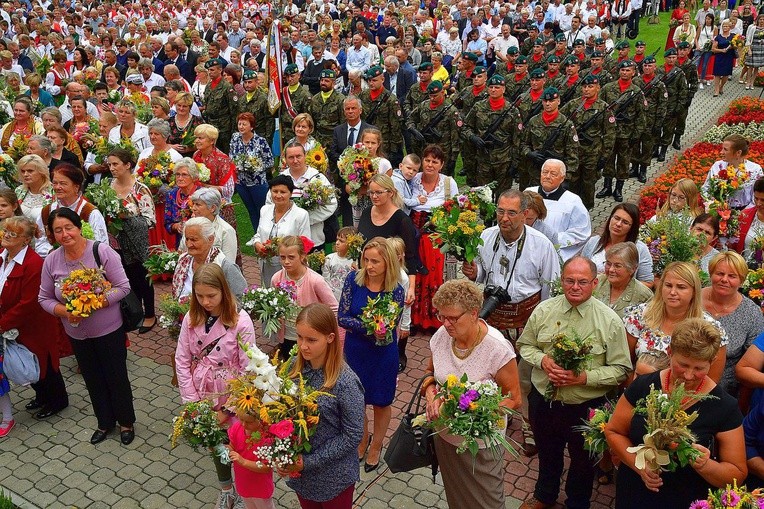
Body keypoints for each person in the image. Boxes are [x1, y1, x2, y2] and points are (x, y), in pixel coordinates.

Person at [517, 256, 631, 509]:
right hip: (545, 400)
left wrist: (584, 377)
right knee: (547, 453)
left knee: (583, 461)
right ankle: (544, 495)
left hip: (586, 406)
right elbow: (525, 344)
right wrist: (543, 360)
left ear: (594, 282)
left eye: (582, 281)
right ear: (561, 281)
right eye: (569, 281)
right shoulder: (544, 310)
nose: (575, 287)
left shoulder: (609, 320)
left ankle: (577, 503)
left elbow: (622, 369)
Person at [605, 318, 747, 508]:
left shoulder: (724, 407)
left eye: (699, 368)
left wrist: (706, 465)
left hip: (687, 498)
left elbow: (736, 473)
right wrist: (639, 466)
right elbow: (614, 431)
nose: (689, 375)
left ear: (712, 361)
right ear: (670, 352)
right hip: (634, 492)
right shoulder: (643, 385)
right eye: (683, 365)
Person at [38, 208, 136, 445]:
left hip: (108, 328)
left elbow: (123, 287)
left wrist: (95, 302)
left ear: (79, 227)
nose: (65, 234)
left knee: (116, 376)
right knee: (92, 378)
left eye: (68, 228)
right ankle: (104, 422)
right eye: (58, 230)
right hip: (77, 333)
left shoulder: (101, 251)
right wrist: (66, 311)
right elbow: (44, 298)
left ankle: (126, 422)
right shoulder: (52, 260)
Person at [422, 279, 521, 509]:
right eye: (441, 316)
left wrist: (475, 411)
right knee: (457, 498)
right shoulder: (441, 335)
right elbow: (429, 373)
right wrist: (430, 394)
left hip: (481, 444)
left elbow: (514, 399)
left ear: (474, 313)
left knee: (489, 501)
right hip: (445, 437)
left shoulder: (497, 348)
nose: (446, 324)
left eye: (453, 318)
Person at [175, 263, 257, 509]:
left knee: (239, 444)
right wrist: (193, 404)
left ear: (223, 290)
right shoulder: (191, 317)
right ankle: (226, 489)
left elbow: (248, 369)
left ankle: (242, 489)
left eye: (211, 296)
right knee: (215, 442)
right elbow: (182, 359)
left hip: (231, 393)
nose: (206, 302)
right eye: (199, 296)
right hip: (203, 392)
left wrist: (229, 410)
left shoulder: (240, 321)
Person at [278, 303, 365, 509]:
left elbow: (352, 435)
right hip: (301, 473)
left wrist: (308, 462)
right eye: (299, 337)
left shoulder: (345, 382)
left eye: (311, 340)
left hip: (334, 476)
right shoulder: (292, 368)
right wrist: (281, 453)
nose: (303, 346)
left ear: (330, 338)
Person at [338, 237, 404, 473]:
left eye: (375, 261)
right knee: (358, 400)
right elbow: (342, 317)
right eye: (366, 260)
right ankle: (363, 439)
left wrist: (379, 329)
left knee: (381, 400)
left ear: (388, 263)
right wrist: (368, 326)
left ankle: (376, 445)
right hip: (356, 351)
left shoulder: (396, 290)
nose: (369, 266)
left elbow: (392, 322)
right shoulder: (353, 281)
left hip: (383, 354)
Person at [0, 215, 68, 430]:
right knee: (27, 363)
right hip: (13, 324)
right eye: (6, 231)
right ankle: (41, 396)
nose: (7, 236)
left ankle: (57, 401)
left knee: (43, 364)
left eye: (14, 234)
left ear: (26, 240)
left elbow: (28, 303)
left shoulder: (33, 263)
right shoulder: (2, 257)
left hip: (34, 325)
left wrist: (2, 323)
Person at [624, 261, 728, 377]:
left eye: (681, 287)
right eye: (668, 285)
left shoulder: (711, 329)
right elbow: (626, 364)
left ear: (694, 291)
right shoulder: (639, 315)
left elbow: (711, 379)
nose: (672, 292)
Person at [106, 148, 156, 334]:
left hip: (136, 244)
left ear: (128, 165)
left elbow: (150, 220)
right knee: (125, 279)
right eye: (109, 164)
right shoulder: (108, 186)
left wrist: (125, 216)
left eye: (115, 164)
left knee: (143, 280)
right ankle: (135, 313)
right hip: (115, 244)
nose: (111, 168)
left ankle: (150, 314)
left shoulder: (140, 189)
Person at [409, 145, 458, 333]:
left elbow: (455, 209)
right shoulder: (413, 179)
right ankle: (413, 319)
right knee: (414, 276)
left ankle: (432, 320)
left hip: (435, 239)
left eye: (434, 161)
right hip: (412, 236)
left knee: (433, 276)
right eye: (427, 160)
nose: (430, 165)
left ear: (441, 164)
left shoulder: (448, 183)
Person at [701, 251, 764, 396]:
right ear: (711, 274)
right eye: (720, 273)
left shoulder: (751, 314)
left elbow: (751, 365)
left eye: (732, 276)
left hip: (725, 392)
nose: (724, 279)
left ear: (741, 281)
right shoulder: (693, 299)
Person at [271, 236, 338, 359]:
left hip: (310, 339)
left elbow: (334, 308)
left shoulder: (315, 281)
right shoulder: (276, 278)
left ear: (302, 256)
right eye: (282, 257)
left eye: (291, 257)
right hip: (287, 336)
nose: (286, 262)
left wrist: (322, 331)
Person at [357, 174, 420, 295]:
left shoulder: (402, 220)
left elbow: (411, 257)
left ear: (390, 193)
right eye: (371, 192)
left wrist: (411, 288)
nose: (374, 196)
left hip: (390, 281)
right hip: (365, 276)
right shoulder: (366, 213)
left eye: (379, 192)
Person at [275, 141, 337, 251]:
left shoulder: (318, 178)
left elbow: (331, 204)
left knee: (313, 268)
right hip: (287, 238)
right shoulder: (281, 179)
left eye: (298, 156)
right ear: (285, 159)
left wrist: (306, 219)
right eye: (291, 157)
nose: (295, 160)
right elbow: (271, 204)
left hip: (314, 237)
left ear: (305, 156)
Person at [525, 159, 591, 261]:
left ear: (562, 178)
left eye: (553, 174)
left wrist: (552, 239)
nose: (547, 176)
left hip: (553, 252)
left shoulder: (573, 201)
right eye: (545, 172)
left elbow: (581, 232)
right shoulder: (528, 193)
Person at [37, 164, 108, 257]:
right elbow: (40, 242)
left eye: (63, 183)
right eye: (55, 183)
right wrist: (54, 254)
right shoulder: (46, 211)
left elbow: (102, 245)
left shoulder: (90, 212)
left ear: (76, 187)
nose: (57, 187)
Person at [253, 176, 311, 288]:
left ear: (291, 193)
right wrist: (257, 244)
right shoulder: (265, 210)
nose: (278, 195)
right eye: (275, 191)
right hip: (266, 264)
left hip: (290, 266)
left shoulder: (301, 214)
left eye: (283, 192)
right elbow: (258, 234)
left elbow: (305, 244)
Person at [171, 217, 247, 301]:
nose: (188, 244)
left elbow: (241, 297)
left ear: (210, 239)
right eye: (187, 239)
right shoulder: (183, 261)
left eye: (194, 240)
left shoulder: (225, 266)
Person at [580, 203, 654, 284]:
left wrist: (621, 285)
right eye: (616, 218)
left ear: (632, 227)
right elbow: (580, 269)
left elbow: (648, 282)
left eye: (625, 222)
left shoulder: (640, 249)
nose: (618, 224)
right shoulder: (593, 242)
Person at [229, 112, 274, 234]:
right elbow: (231, 156)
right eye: (239, 124)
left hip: (257, 183)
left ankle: (267, 235)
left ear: (252, 126)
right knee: (251, 211)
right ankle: (257, 236)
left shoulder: (260, 141)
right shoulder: (235, 138)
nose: (241, 126)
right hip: (241, 183)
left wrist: (256, 166)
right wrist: (235, 165)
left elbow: (270, 161)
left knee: (262, 211)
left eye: (244, 124)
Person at [192, 124, 238, 240]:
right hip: (200, 205)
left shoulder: (222, 159)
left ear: (212, 141)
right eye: (196, 137)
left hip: (220, 206)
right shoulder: (196, 155)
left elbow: (228, 190)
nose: (196, 141)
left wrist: (204, 186)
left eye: (200, 138)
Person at [593, 242, 655, 319]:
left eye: (617, 266)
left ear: (632, 269)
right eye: (608, 264)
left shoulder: (644, 296)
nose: (611, 269)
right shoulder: (595, 283)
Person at [703, 135, 764, 213]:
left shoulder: (755, 170)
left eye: (725, 149)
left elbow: (757, 196)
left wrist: (741, 214)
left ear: (738, 153)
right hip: (718, 211)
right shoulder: (717, 166)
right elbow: (705, 189)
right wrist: (713, 205)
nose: (721, 152)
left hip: (745, 213)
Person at [178, 188, 237, 263]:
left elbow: (229, 263)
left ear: (212, 208)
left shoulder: (226, 230)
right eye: (193, 204)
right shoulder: (190, 225)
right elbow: (181, 251)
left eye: (198, 205)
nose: (193, 208)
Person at [164, 158, 203, 247]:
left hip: (201, 240)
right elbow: (167, 223)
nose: (180, 178)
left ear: (193, 177)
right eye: (178, 174)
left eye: (184, 175)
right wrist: (176, 226)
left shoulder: (202, 195)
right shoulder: (171, 195)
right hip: (181, 242)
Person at [15, 154, 53, 224]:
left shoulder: (54, 191)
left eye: (30, 171)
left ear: (42, 171)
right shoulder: (19, 191)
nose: (25, 174)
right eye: (23, 171)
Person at [167, 92, 203, 158]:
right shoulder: (168, 122)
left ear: (190, 107)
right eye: (179, 105)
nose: (181, 108)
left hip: (193, 158)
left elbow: (205, 142)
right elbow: (161, 143)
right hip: (171, 158)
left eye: (184, 106)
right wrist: (172, 147)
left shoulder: (198, 121)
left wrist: (190, 148)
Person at [712, 20, 736, 96]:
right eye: (723, 26)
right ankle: (716, 90)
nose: (725, 28)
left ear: (730, 27)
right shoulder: (718, 37)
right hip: (719, 57)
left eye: (726, 26)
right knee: (717, 74)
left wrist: (734, 46)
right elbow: (713, 49)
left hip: (729, 57)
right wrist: (721, 50)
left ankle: (721, 86)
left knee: (726, 74)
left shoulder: (733, 36)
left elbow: (737, 46)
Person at [744, 14, 764, 89]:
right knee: (750, 66)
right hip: (753, 49)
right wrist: (749, 49)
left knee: (757, 67)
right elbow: (748, 39)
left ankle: (752, 82)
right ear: (758, 20)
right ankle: (748, 81)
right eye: (760, 19)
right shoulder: (753, 28)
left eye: (763, 19)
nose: (762, 21)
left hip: (761, 50)